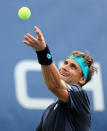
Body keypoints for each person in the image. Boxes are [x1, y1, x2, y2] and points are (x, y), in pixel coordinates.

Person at [23, 26, 97, 131]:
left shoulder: (80, 95)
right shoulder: (49, 110)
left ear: (82, 79)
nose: (65, 67)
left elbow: (55, 86)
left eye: (73, 67)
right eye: (65, 63)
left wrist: (43, 52)